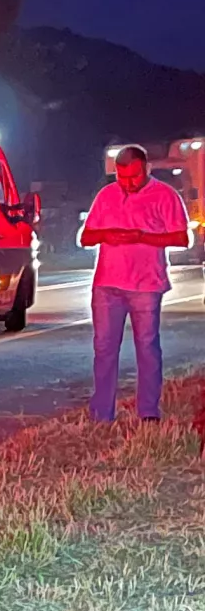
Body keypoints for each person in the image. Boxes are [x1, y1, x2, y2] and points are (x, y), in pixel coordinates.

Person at [79, 144, 189, 423]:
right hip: (107, 284)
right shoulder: (107, 195)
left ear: (147, 168)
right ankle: (102, 414)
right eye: (122, 176)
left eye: (134, 176)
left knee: (147, 348)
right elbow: (86, 237)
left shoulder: (165, 195)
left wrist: (141, 236)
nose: (128, 183)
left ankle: (149, 412)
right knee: (104, 349)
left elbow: (181, 238)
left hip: (147, 285)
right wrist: (108, 234)